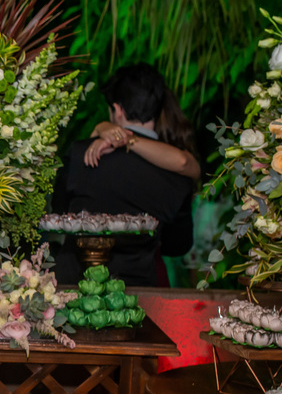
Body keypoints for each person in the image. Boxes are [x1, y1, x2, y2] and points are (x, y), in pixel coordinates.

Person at [52, 64, 198, 286]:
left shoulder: (80, 152)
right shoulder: (175, 169)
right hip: (138, 292)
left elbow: (59, 212)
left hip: (74, 285)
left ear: (118, 110)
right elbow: (178, 245)